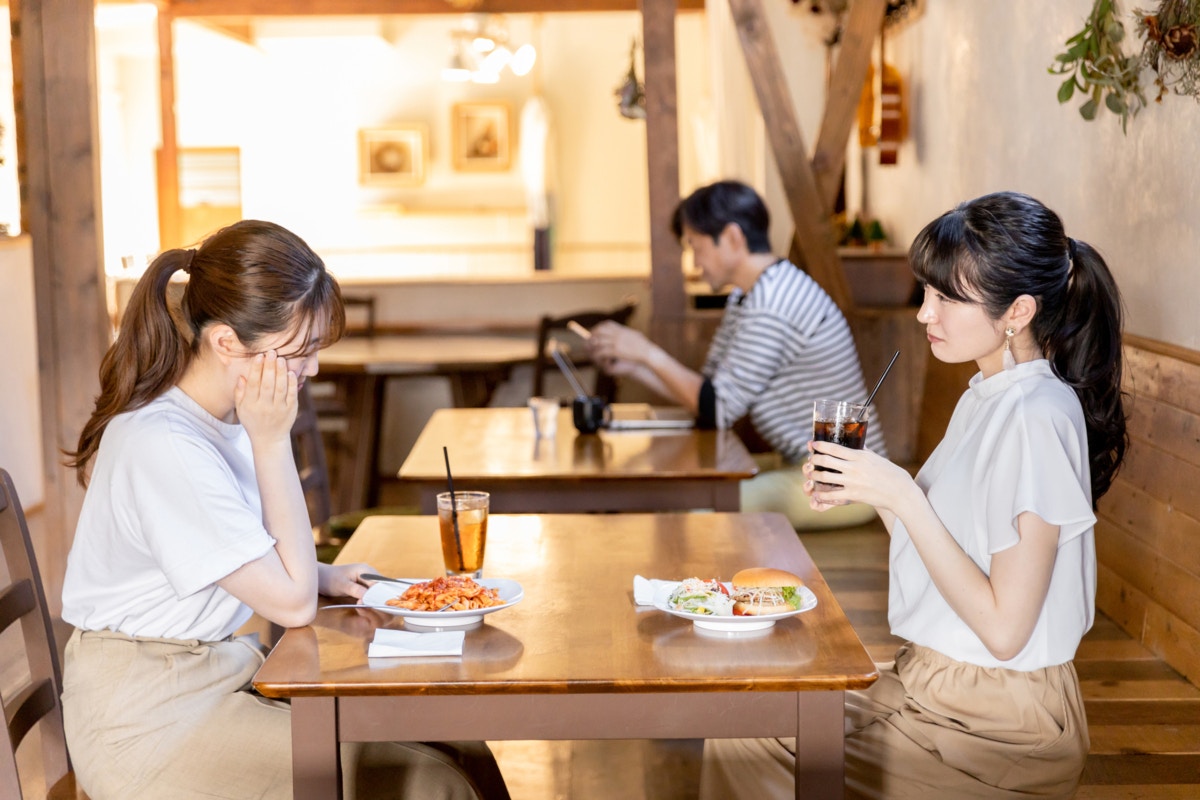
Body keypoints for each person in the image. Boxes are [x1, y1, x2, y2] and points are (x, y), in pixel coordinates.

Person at [60, 220, 510, 800]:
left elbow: (239, 559)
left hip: (210, 679)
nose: (313, 368)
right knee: (433, 781)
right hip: (149, 721)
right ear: (227, 342)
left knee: (459, 742)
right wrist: (274, 442)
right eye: (301, 350)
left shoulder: (216, 420)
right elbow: (292, 607)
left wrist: (324, 575)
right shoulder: (166, 443)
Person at [699, 191, 1128, 799]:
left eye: (947, 297)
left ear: (1018, 311)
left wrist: (900, 492)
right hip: (926, 687)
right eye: (926, 292)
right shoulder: (987, 392)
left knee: (752, 741)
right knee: (748, 720)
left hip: (997, 728)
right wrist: (872, 487)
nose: (925, 313)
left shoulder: (1036, 414)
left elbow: (1006, 629)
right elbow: (946, 549)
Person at [585, 179, 886, 529]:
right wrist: (635, 365)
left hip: (843, 483)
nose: (695, 262)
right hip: (802, 464)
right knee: (684, 495)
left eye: (695, 246)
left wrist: (646, 353)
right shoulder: (749, 295)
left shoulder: (773, 303)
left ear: (731, 237)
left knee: (696, 514)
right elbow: (709, 394)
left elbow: (717, 408)